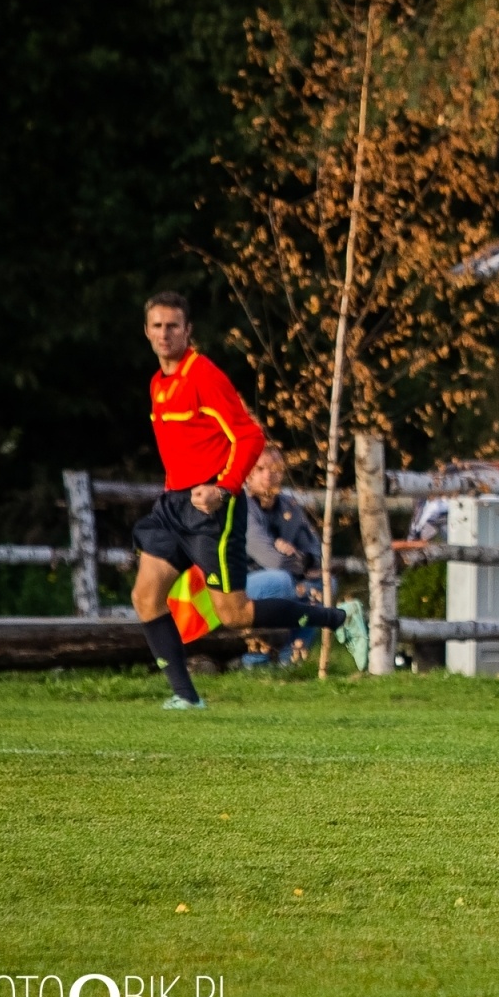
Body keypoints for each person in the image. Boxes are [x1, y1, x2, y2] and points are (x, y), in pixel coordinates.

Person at [129, 291, 369, 707]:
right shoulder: (158, 384)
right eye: (157, 326)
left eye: (173, 326)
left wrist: (222, 488)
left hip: (215, 510)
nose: (164, 333)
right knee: (146, 597)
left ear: (188, 331)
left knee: (233, 614)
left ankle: (339, 619)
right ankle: (186, 697)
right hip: (174, 507)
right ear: (147, 331)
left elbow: (250, 436)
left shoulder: (203, 375)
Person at [244, 444, 325, 665]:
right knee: (281, 581)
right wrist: (300, 564)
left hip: (283, 576)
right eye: (260, 469)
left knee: (323, 586)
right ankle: (254, 660)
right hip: (235, 585)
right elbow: (271, 559)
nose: (269, 475)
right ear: (248, 473)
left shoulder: (290, 505)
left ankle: (291, 659)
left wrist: (299, 557)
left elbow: (315, 551)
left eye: (276, 469)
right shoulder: (241, 506)